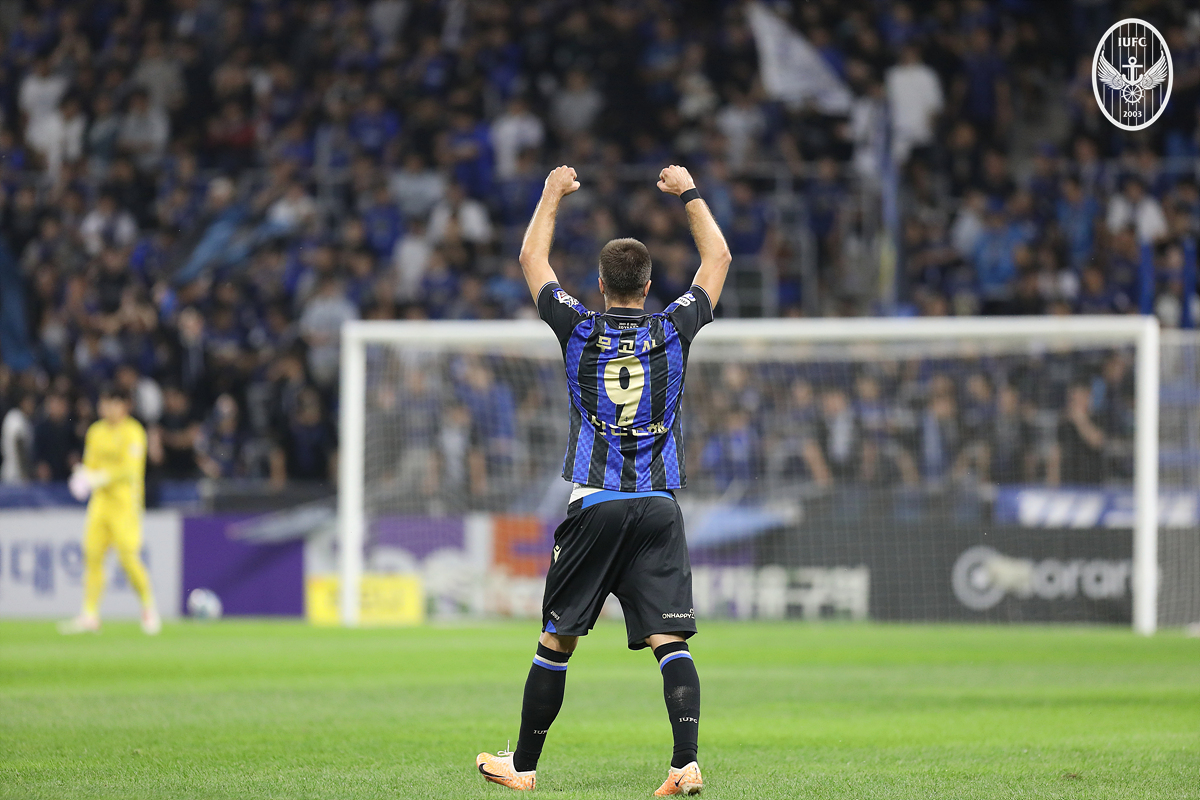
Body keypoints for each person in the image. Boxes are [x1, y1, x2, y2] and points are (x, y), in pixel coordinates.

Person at [476, 164, 730, 796]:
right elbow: (718, 257)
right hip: (658, 506)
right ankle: (685, 763)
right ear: (648, 285)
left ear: (599, 284)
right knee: (671, 641)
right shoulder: (673, 329)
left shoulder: (578, 327)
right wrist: (689, 192)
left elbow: (532, 258)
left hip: (596, 503)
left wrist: (551, 192)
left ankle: (523, 768)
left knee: (556, 641)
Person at [59, 385, 160, 635]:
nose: (105, 408)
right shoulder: (96, 432)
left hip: (125, 504)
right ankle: (90, 614)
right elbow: (90, 465)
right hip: (100, 504)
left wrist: (99, 477)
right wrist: (82, 476)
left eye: (111, 403)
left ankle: (148, 607)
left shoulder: (134, 432)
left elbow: (130, 470)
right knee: (92, 556)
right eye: (103, 403)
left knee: (128, 558)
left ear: (124, 405)